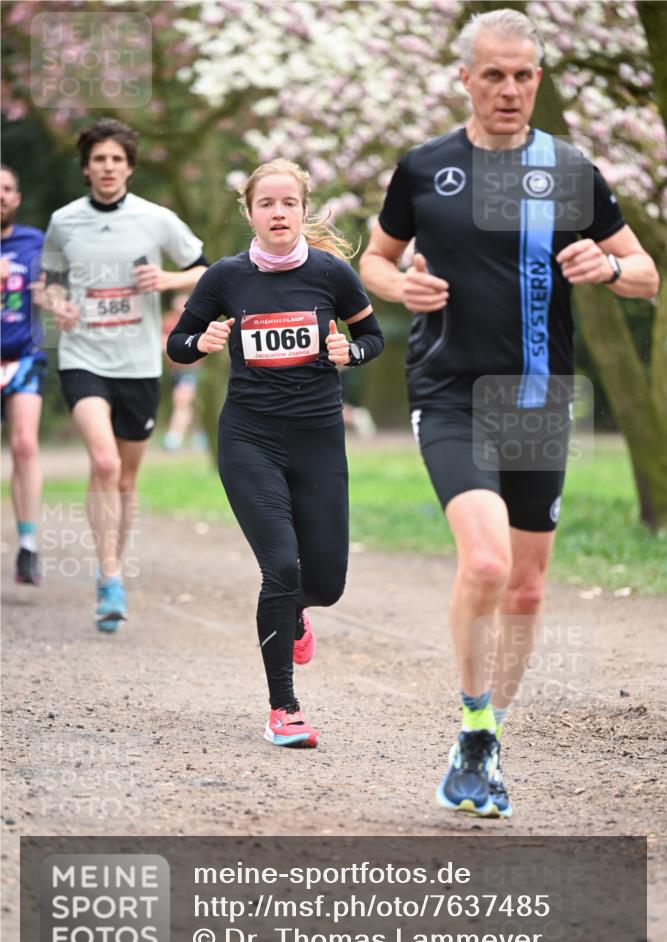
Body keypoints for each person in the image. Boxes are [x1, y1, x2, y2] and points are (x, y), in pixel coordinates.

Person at [360, 8, 659, 817]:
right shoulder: (424, 169)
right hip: (451, 391)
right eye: (493, 73)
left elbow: (645, 272)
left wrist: (604, 264)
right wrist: (400, 287)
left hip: (537, 397)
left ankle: (482, 741)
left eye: (523, 74)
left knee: (526, 591)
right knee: (487, 563)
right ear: (464, 78)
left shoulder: (567, 168)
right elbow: (374, 261)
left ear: (537, 79)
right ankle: (473, 721)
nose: (509, 89)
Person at [168, 158, 384, 748]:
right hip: (250, 439)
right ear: (250, 212)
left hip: (318, 441)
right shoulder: (225, 278)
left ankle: (295, 611)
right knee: (281, 567)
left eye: (289, 202)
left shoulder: (333, 275)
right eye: (267, 203)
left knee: (328, 581)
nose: (279, 212)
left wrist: (352, 354)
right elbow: (178, 344)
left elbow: (374, 336)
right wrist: (202, 340)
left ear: (304, 210)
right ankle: (283, 709)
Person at [42, 119, 208, 632]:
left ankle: (110, 562)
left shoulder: (156, 219)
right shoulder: (64, 222)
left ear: (129, 166)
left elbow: (206, 270)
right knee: (105, 462)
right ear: (87, 167)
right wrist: (58, 304)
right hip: (83, 357)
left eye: (116, 159)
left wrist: (167, 279)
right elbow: (46, 283)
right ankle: (110, 575)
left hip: (138, 365)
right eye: (99, 160)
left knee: (127, 478)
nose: (108, 167)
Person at [1, 165, 46, 585]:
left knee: (25, 443)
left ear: (17, 198)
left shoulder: (37, 241)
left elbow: (60, 288)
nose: (1, 195)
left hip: (24, 355)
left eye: (7, 189)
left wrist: (51, 294)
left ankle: (28, 546)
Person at [160, 292, 203, 451]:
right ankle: (200, 434)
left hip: (191, 369)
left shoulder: (196, 320)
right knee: (191, 403)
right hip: (175, 370)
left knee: (181, 400)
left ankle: (174, 437)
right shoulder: (168, 321)